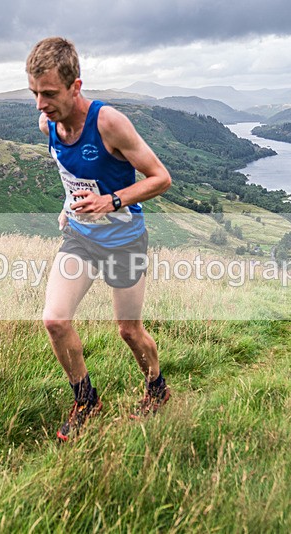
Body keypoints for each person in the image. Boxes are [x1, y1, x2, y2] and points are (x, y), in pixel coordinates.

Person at [26, 37, 173, 441]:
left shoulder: (109, 123)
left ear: (76, 86)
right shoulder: (48, 124)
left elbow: (161, 178)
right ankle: (86, 399)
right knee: (55, 320)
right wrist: (68, 203)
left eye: (50, 93)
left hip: (125, 240)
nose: (41, 104)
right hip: (80, 238)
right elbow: (71, 173)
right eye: (35, 93)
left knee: (128, 331)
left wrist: (111, 200)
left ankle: (157, 388)